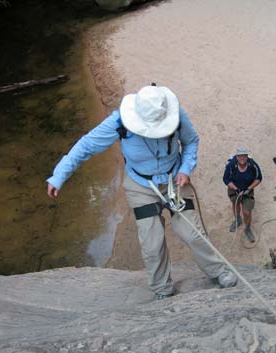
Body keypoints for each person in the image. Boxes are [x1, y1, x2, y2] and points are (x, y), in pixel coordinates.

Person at [46, 84, 237, 300]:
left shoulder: (176, 116)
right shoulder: (120, 122)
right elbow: (86, 145)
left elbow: (191, 141)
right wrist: (59, 175)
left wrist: (185, 169)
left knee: (192, 232)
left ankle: (219, 272)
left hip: (174, 181)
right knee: (152, 242)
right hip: (140, 186)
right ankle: (162, 289)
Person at [223, 148, 262, 242]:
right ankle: (237, 220)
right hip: (234, 189)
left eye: (244, 155)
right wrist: (236, 189)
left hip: (247, 191)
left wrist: (248, 189)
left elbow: (259, 178)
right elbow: (226, 179)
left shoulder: (253, 165)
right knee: (235, 204)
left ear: (247, 156)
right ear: (236, 157)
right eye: (240, 156)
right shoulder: (231, 165)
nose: (242, 158)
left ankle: (247, 228)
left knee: (247, 212)